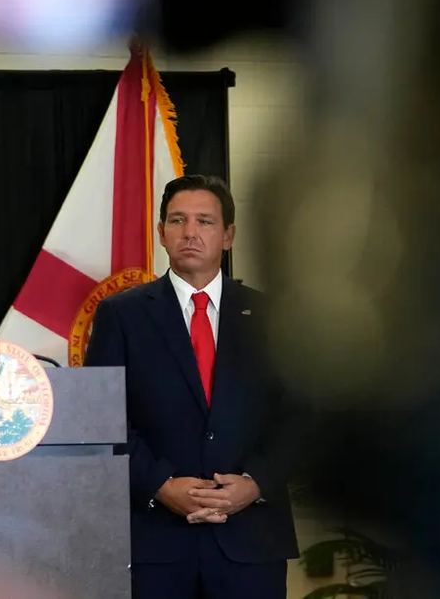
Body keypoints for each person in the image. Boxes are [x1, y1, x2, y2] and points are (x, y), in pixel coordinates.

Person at [85, 174, 301, 599]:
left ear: (228, 235)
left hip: (251, 543)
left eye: (205, 221)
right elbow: (100, 419)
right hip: (154, 542)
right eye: (177, 220)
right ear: (161, 233)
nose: (190, 233)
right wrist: (161, 485)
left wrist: (256, 482)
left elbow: (299, 417)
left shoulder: (276, 318)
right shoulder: (121, 315)